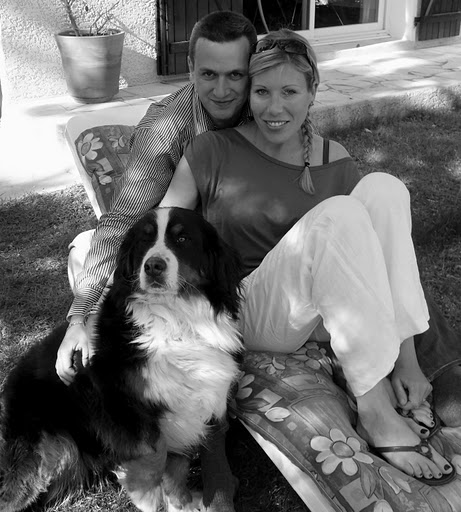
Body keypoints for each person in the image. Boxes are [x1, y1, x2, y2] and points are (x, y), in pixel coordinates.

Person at [159, 28, 459, 484]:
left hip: (324, 312)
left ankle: (407, 362)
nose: (274, 108)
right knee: (339, 214)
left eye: (289, 92)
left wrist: (407, 355)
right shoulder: (212, 150)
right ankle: (375, 410)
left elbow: (379, 252)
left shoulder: (335, 158)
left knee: (385, 188)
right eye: (262, 92)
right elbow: (164, 228)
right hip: (254, 309)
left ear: (313, 92)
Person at [56, 10, 257, 512]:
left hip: (230, 268)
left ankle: (212, 446)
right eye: (208, 74)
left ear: (251, 72)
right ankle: (136, 413)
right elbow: (124, 220)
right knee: (86, 248)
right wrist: (80, 318)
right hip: (163, 261)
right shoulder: (167, 125)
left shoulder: (267, 108)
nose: (223, 90)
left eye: (236, 74)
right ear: (189, 69)